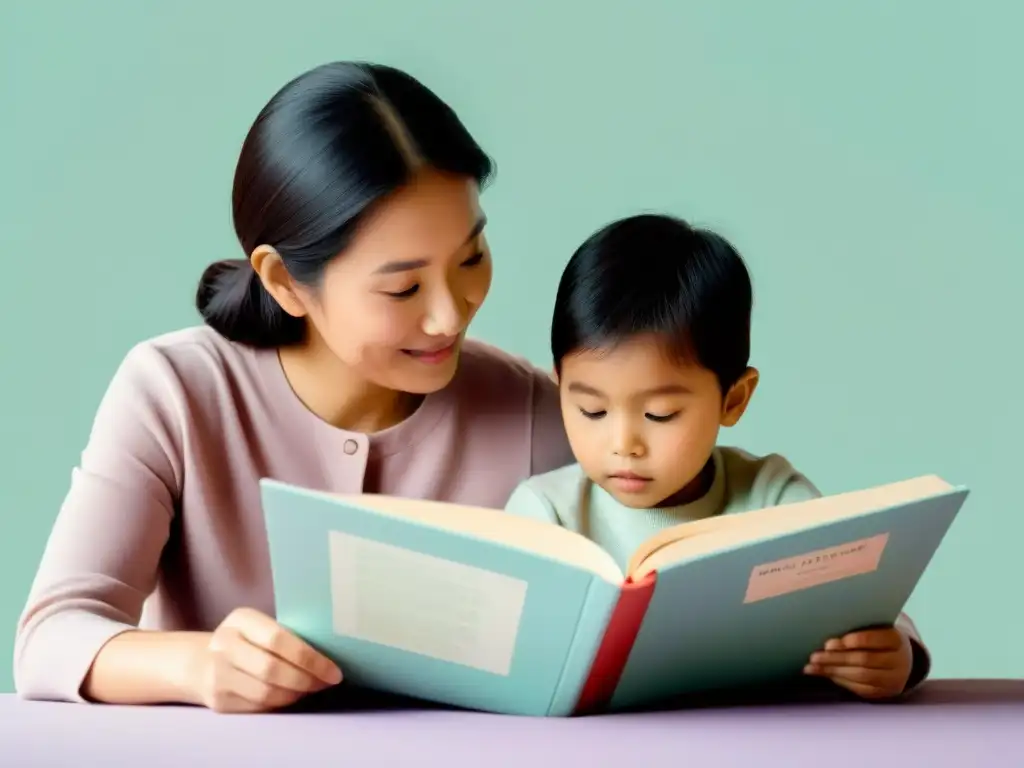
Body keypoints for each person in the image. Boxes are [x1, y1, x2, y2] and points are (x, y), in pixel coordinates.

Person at [12, 61, 575, 712]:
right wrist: (199, 666)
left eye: (472, 258)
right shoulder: (176, 393)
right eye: (402, 287)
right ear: (282, 280)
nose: (451, 314)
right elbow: (51, 636)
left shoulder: (536, 414)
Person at [503, 213, 931, 700]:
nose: (624, 443)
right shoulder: (545, 512)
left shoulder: (771, 496)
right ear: (560, 386)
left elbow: (862, 602)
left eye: (661, 414)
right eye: (591, 410)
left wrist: (898, 654)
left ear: (733, 400)